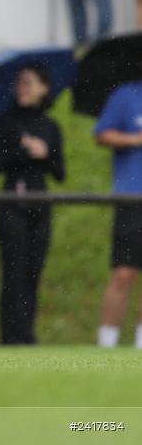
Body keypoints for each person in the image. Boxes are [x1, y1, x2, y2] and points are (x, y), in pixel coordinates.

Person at [0, 66, 65, 345]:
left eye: (29, 83)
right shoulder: (5, 123)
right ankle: (10, 336)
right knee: (13, 272)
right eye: (20, 83)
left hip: (39, 200)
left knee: (33, 271)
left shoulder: (50, 127)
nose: (23, 88)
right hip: (11, 201)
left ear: (44, 88)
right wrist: (20, 151)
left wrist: (44, 154)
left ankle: (28, 334)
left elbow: (60, 171)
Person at [94, 78, 142, 348]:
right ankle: (107, 343)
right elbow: (102, 134)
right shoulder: (126, 94)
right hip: (132, 196)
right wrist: (136, 138)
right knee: (124, 272)